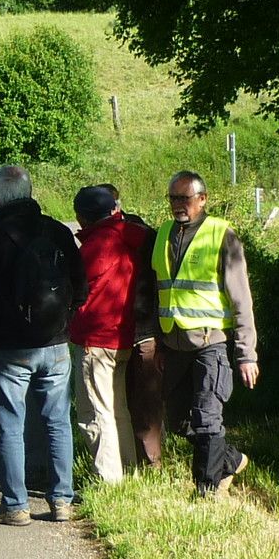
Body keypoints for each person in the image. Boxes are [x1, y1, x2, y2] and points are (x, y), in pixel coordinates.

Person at [0, 165, 87, 524]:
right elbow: (80, 286)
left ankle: (16, 506)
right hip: (55, 343)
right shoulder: (57, 230)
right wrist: (63, 321)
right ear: (30, 190)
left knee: (9, 425)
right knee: (58, 422)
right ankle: (62, 501)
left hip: (9, 348)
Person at [153, 171, 259, 496]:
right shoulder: (164, 233)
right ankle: (231, 460)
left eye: (184, 198)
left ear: (202, 199)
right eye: (172, 198)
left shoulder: (221, 234)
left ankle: (207, 491)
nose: (177, 204)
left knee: (207, 418)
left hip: (209, 343)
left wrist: (246, 354)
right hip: (174, 344)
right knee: (178, 421)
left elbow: (242, 300)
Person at [68, 185, 153, 484]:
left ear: (82, 217)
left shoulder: (97, 244)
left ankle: (108, 479)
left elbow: (75, 287)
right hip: (123, 334)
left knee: (95, 412)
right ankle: (127, 470)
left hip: (95, 338)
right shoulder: (128, 236)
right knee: (117, 410)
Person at [100, 182, 166, 469]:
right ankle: (141, 461)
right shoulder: (144, 233)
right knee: (139, 399)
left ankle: (145, 462)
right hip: (137, 326)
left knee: (138, 399)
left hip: (135, 327)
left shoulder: (124, 234)